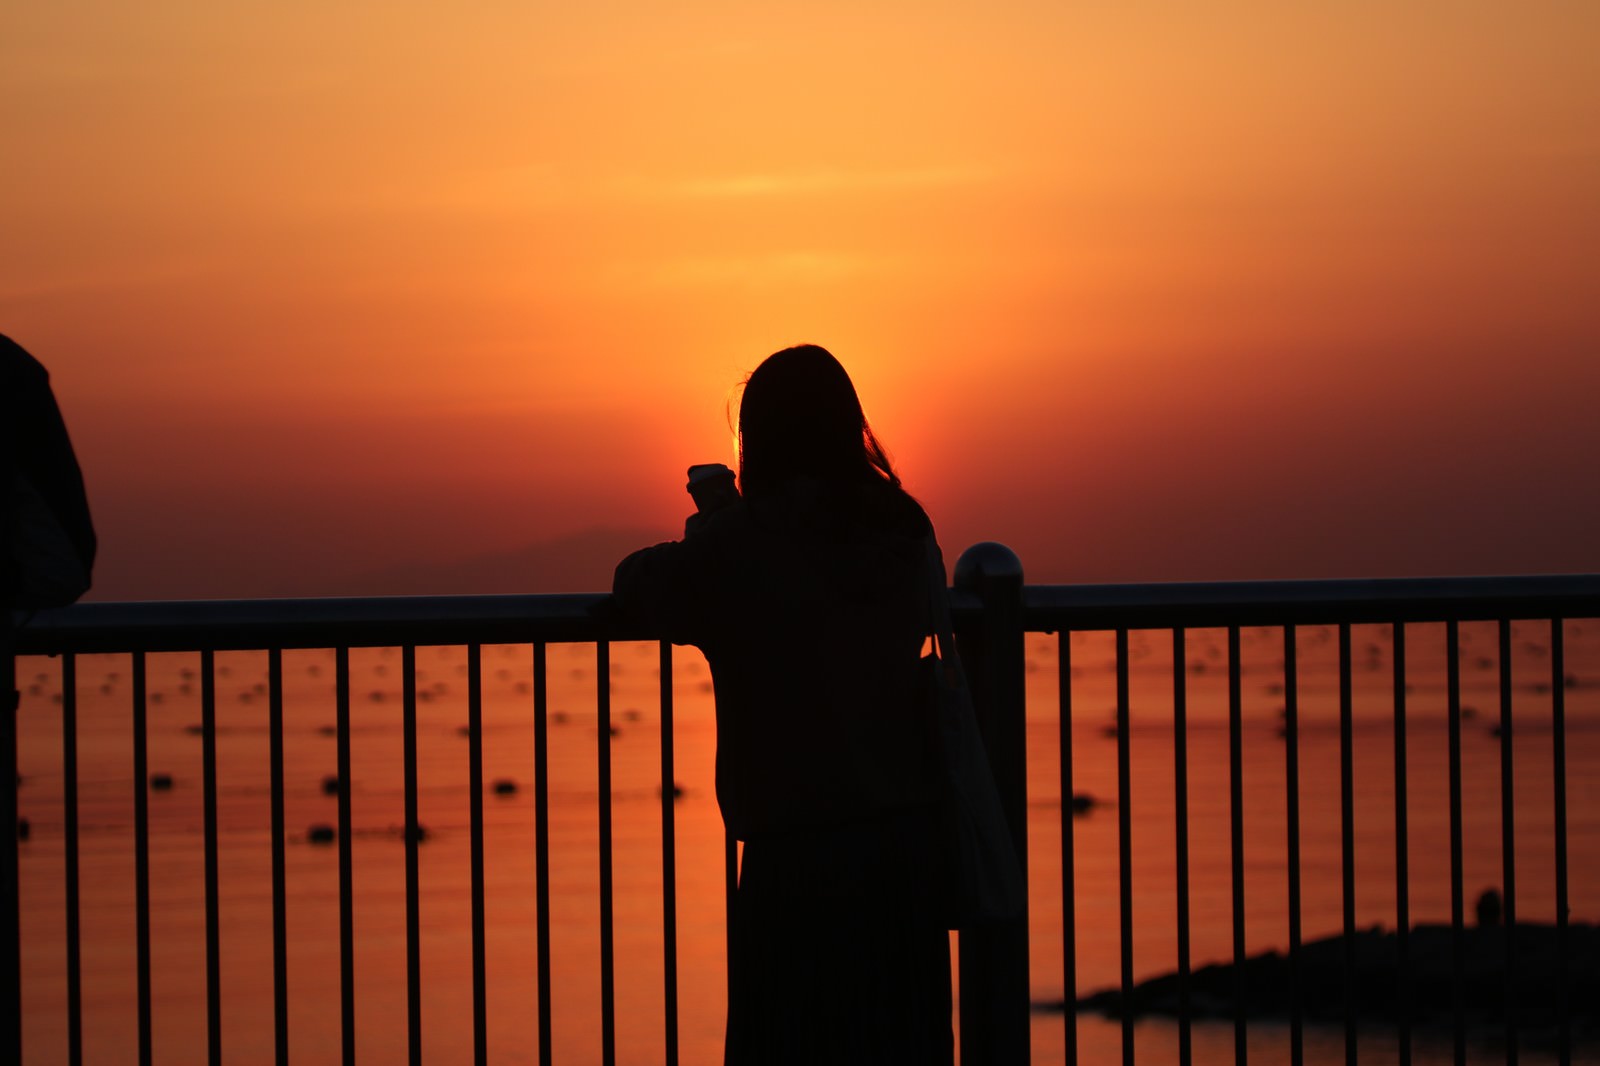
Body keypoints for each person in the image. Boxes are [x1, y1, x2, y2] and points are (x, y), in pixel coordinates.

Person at [613, 345, 953, 1065]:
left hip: (796, 870)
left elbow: (638, 584)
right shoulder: (904, 529)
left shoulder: (743, 545)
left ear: (756, 442)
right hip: (904, 865)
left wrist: (714, 524)